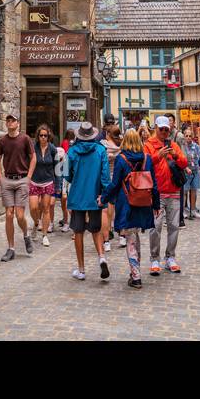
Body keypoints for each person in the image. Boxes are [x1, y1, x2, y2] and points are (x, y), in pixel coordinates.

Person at [102, 129, 159, 288]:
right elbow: (154, 184)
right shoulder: (147, 158)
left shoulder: (121, 159)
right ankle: (136, 272)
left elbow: (114, 184)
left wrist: (103, 198)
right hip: (143, 203)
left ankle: (136, 276)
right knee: (134, 238)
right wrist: (156, 204)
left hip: (127, 203)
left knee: (131, 240)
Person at [65, 122, 111, 281]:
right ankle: (101, 257)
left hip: (78, 195)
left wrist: (74, 177)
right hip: (94, 195)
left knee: (78, 231)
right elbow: (105, 176)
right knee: (96, 229)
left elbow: (66, 174)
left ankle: (81, 269)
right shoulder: (100, 150)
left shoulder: (71, 151)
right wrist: (104, 194)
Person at [144, 115, 188, 274]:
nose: (163, 132)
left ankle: (170, 257)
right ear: (155, 128)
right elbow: (144, 164)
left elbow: (184, 163)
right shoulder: (149, 145)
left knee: (174, 226)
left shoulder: (174, 145)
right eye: (161, 129)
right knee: (155, 227)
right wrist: (158, 156)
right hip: (157, 193)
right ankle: (154, 258)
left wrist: (175, 156)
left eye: (166, 129)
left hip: (174, 192)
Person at [0, 112, 35, 260]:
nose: (10, 122)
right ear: (6, 124)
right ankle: (11, 248)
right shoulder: (2, 141)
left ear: (18, 123)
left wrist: (29, 177)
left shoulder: (25, 139)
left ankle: (26, 234)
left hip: (21, 179)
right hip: (8, 180)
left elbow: (33, 158)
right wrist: (0, 177)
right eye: (8, 120)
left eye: (13, 120)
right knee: (9, 214)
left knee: (19, 215)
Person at [29, 125, 58, 246]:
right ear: (38, 136)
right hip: (35, 181)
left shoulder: (52, 149)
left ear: (48, 136)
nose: (43, 138)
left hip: (48, 181)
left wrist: (57, 185)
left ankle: (45, 235)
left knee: (46, 208)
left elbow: (57, 168)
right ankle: (36, 223)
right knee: (34, 208)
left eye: (45, 135)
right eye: (41, 135)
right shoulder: (33, 148)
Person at [101, 122, 121, 252]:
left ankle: (107, 238)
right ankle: (122, 236)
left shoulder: (103, 146)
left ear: (108, 134)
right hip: (118, 180)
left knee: (106, 210)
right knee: (118, 208)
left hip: (106, 180)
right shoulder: (120, 148)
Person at [183, 127, 200, 219]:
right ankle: (183, 209)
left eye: (190, 136)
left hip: (195, 171)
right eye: (186, 136)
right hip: (185, 171)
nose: (188, 137)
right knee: (184, 191)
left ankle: (193, 209)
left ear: (193, 137)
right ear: (184, 136)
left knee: (194, 190)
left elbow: (199, 158)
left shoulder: (197, 147)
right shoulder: (182, 147)